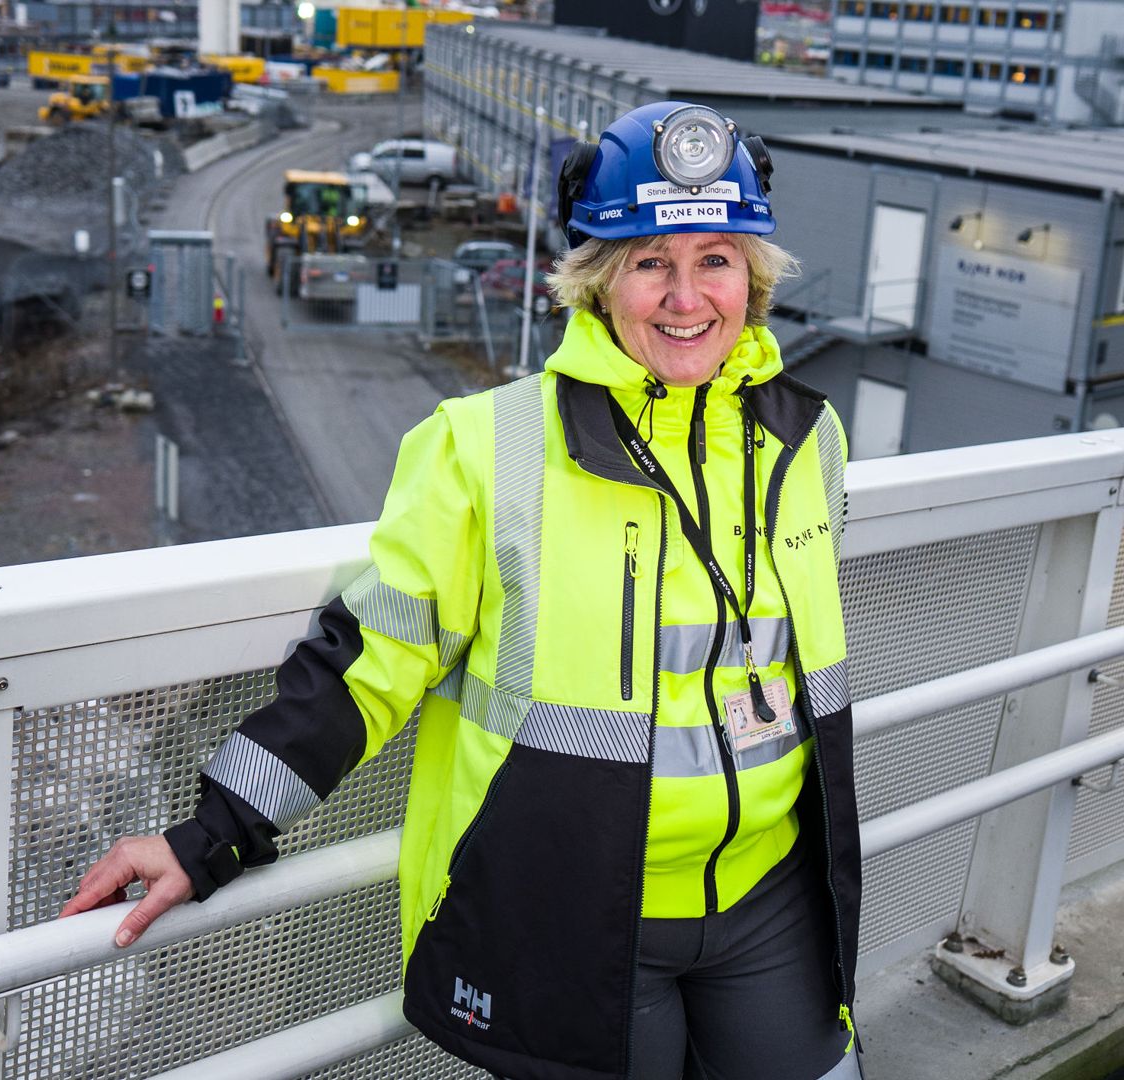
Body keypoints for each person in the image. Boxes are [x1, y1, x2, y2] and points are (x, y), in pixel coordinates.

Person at [62, 100, 862, 1080]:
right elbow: (370, 662)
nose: (686, 297)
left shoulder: (807, 437)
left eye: (715, 259)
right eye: (651, 261)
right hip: (574, 919)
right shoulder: (485, 447)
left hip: (771, 902)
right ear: (600, 281)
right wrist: (211, 831)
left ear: (753, 275)